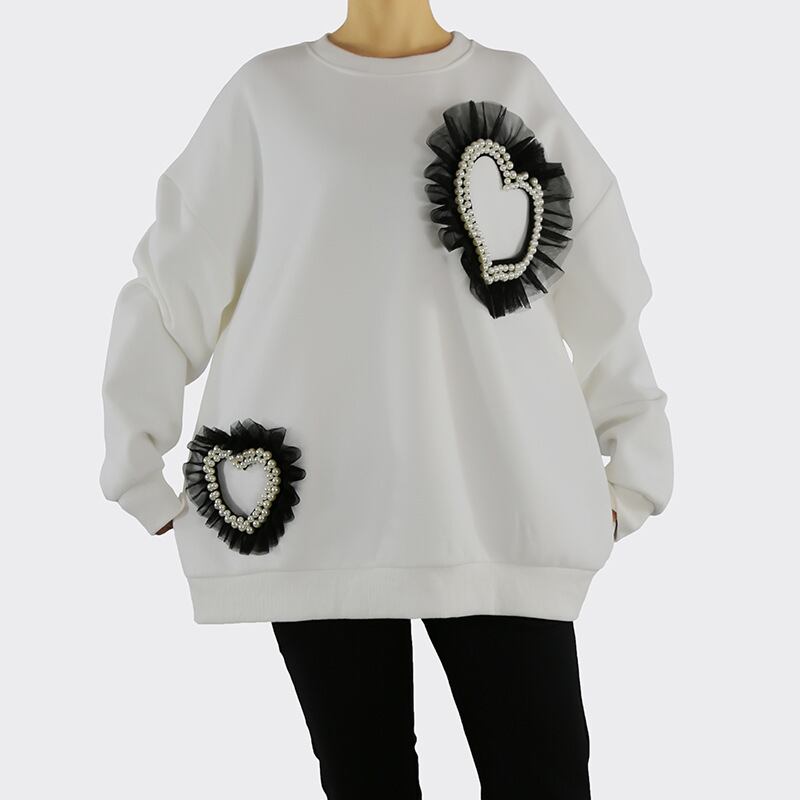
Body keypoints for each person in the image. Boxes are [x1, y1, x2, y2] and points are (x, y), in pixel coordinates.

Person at [99, 2, 674, 797]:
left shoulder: (514, 87)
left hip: (499, 510)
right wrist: (137, 467)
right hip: (319, 519)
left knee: (542, 771)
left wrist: (635, 469)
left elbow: (605, 283)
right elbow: (171, 287)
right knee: (365, 776)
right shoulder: (266, 98)